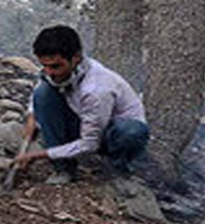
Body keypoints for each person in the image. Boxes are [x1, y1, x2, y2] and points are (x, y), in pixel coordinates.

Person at [15, 25, 149, 184]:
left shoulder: (96, 88)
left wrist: (40, 155)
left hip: (111, 134)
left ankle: (117, 170)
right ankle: (63, 168)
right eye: (44, 65)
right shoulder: (55, 72)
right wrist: (32, 116)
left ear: (76, 57)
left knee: (131, 132)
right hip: (83, 119)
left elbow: (90, 143)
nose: (49, 72)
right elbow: (41, 89)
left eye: (55, 66)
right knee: (42, 93)